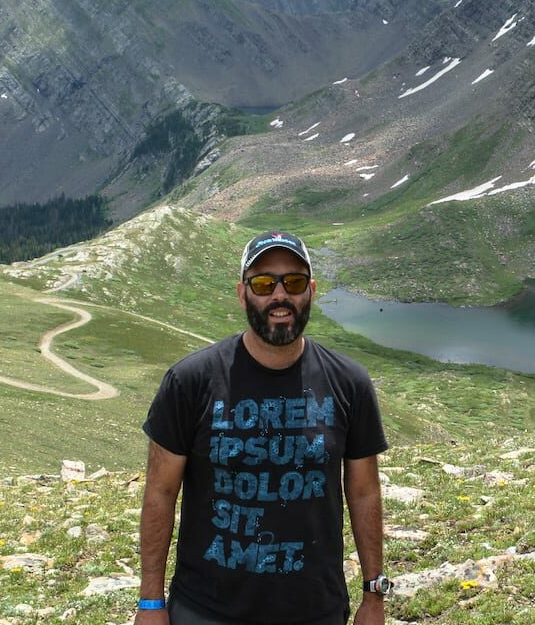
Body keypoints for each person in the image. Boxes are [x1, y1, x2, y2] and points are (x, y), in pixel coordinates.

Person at [136, 231, 392, 625]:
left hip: (315, 611)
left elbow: (363, 492)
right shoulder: (190, 381)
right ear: (242, 293)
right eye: (262, 283)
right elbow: (160, 491)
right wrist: (151, 603)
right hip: (206, 611)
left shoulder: (349, 383)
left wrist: (373, 596)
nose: (279, 296)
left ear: (311, 291)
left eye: (293, 282)